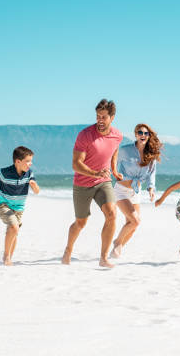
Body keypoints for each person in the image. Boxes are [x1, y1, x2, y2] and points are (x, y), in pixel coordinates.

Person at [62, 99, 123, 268]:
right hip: (82, 183)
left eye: (104, 117)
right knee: (81, 222)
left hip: (103, 182)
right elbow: (76, 164)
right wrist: (94, 172)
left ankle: (103, 258)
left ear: (112, 117)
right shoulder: (85, 135)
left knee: (112, 214)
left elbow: (114, 151)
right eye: (98, 116)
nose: (100, 120)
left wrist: (114, 170)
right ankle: (68, 249)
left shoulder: (117, 135)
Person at [109, 123, 162, 259]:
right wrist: (112, 172)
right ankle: (117, 243)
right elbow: (112, 160)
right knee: (135, 221)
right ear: (135, 134)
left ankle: (118, 246)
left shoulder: (151, 155)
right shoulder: (125, 150)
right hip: (121, 190)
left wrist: (151, 188)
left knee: (133, 226)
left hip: (136, 192)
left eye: (146, 133)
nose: (143, 135)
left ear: (149, 136)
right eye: (140, 132)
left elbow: (152, 173)